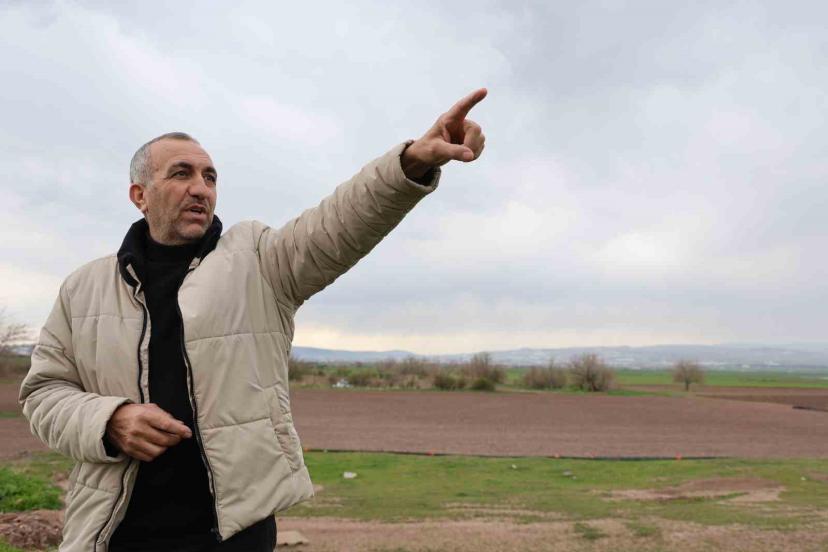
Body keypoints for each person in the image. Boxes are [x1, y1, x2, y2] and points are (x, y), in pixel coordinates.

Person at [19, 88, 487, 552]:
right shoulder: (83, 288)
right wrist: (109, 420)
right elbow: (43, 394)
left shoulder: (258, 260)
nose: (200, 188)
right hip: (112, 533)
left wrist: (411, 163)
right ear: (140, 195)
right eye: (181, 173)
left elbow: (337, 224)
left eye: (210, 177)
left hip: (233, 536)